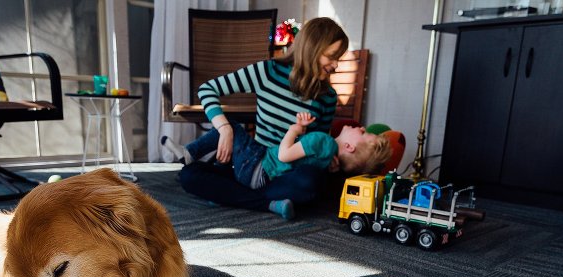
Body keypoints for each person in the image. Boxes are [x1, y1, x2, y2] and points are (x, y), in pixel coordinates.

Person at [165, 17, 351, 220]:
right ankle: (267, 203)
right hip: (251, 163)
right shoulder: (267, 71)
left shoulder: (328, 97)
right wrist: (224, 128)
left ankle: (230, 195)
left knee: (311, 181)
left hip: (285, 173)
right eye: (332, 57)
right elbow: (207, 89)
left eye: (338, 59)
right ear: (312, 48)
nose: (335, 65)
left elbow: (316, 145)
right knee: (189, 176)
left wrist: (328, 163)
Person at [164, 112, 392, 193]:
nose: (361, 127)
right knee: (233, 139)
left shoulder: (322, 140)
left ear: (350, 147)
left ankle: (189, 153)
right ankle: (193, 156)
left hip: (257, 166)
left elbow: (284, 155)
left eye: (363, 133)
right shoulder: (328, 160)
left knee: (231, 128)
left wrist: (294, 130)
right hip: (261, 175)